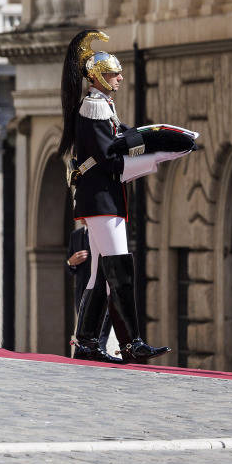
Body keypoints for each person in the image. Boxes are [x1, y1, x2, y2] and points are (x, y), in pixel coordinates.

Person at [60, 30, 193, 363]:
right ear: (98, 78)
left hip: (106, 199)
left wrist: (157, 141)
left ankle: (88, 342)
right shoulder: (92, 107)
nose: (119, 77)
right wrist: (158, 157)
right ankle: (131, 342)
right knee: (119, 268)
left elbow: (122, 141)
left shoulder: (104, 106)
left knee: (101, 274)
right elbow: (111, 160)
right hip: (101, 198)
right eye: (112, 73)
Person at [66, 225, 112, 358]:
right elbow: (70, 268)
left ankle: (98, 360)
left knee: (100, 334)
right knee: (83, 332)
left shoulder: (104, 232)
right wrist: (71, 262)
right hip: (82, 293)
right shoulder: (76, 235)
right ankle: (82, 359)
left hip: (103, 292)